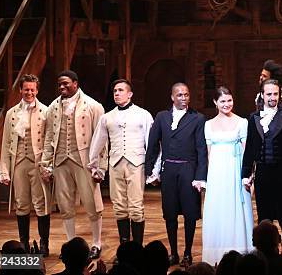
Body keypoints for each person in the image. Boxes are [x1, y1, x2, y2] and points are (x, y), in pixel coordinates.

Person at [39, 70, 106, 260]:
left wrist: (100, 167)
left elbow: (101, 139)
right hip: (60, 160)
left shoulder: (93, 106)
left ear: (75, 84)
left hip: (84, 160)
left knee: (92, 202)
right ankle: (70, 243)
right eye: (60, 84)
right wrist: (46, 163)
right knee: (64, 204)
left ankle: (96, 243)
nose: (62, 87)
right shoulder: (53, 107)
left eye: (66, 84)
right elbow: (49, 137)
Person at [88, 79, 160, 245]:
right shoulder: (107, 117)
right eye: (115, 91)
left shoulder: (143, 114)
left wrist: (154, 168)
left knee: (135, 206)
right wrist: (94, 165)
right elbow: (98, 141)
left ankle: (137, 247)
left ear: (130, 94)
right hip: (116, 164)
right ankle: (125, 246)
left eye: (121, 90)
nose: (117, 93)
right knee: (119, 207)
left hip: (136, 163)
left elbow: (152, 143)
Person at [145, 82, 207, 267]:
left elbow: (201, 149)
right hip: (169, 171)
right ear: (172, 97)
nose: (183, 98)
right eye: (179, 95)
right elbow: (153, 144)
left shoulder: (197, 118)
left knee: (189, 214)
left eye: (186, 95)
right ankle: (173, 252)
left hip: (189, 170)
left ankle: (187, 253)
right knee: (170, 214)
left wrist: (200, 176)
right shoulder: (162, 117)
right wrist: (149, 171)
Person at [243, 79, 282, 256]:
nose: (272, 97)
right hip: (263, 174)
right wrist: (246, 174)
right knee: (264, 216)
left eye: (275, 94)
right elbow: (250, 148)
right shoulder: (253, 119)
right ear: (262, 95)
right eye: (269, 94)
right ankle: (266, 253)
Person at [0, 74, 51, 256]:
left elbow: (49, 140)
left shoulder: (45, 111)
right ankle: (23, 244)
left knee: (41, 203)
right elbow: (6, 143)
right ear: (20, 90)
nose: (29, 92)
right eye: (26, 89)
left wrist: (48, 165)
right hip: (19, 161)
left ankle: (44, 243)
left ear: (37, 90)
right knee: (21, 204)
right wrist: (4, 171)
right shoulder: (12, 113)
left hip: (37, 162)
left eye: (32, 89)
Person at [201, 86, 254, 265]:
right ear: (215, 102)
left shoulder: (242, 122)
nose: (226, 104)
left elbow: (247, 152)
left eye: (229, 100)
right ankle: (217, 253)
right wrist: (206, 178)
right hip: (217, 173)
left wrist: (248, 175)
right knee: (218, 209)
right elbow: (208, 154)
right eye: (222, 101)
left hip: (235, 170)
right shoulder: (208, 125)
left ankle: (239, 250)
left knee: (237, 209)